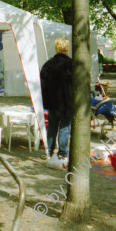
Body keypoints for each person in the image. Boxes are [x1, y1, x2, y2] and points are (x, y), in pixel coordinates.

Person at [40, 38, 73, 167]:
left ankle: (49, 150)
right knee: (65, 128)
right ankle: (63, 153)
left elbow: (42, 85)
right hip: (68, 101)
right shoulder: (72, 64)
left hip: (53, 101)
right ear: (67, 48)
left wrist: (45, 102)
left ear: (56, 48)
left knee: (52, 127)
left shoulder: (48, 65)